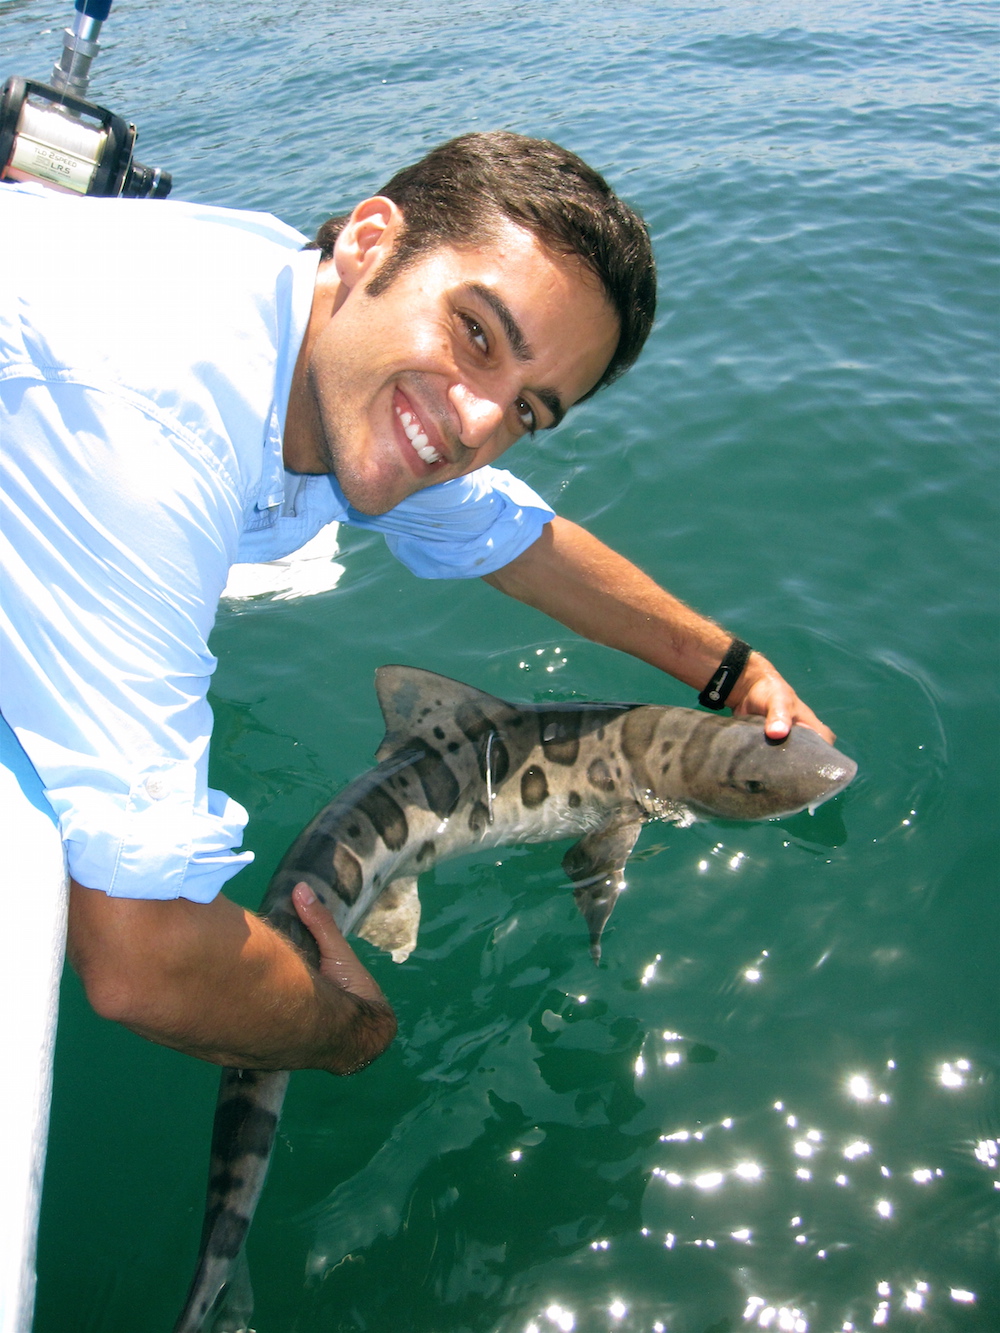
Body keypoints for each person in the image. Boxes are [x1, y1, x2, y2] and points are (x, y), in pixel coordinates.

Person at [0, 131, 832, 1079]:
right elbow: (141, 962)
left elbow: (512, 537)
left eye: (528, 410)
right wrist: (357, 1031)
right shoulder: (145, 445)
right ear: (369, 239)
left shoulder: (324, 329)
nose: (478, 424)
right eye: (477, 332)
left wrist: (732, 670)